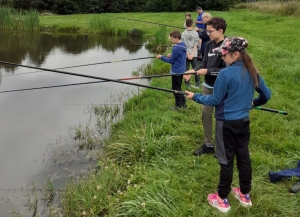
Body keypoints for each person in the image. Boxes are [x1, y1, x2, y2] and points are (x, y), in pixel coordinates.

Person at [185, 37, 272, 213]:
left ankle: (222, 199)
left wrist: (195, 97)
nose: (222, 58)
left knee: (225, 160)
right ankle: (244, 194)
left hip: (225, 124)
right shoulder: (253, 71)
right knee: (243, 156)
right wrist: (254, 103)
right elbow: (266, 95)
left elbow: (215, 99)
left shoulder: (225, 74)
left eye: (224, 55)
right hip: (243, 122)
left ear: (236, 54)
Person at [184, 17, 227, 156]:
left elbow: (227, 71)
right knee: (205, 114)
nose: (208, 34)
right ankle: (208, 144)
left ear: (220, 31)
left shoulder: (228, 46)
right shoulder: (209, 44)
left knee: (221, 118)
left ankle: (222, 146)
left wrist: (207, 71)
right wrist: (194, 70)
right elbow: (204, 63)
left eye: (210, 31)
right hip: (207, 86)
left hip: (222, 88)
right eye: (207, 31)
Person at [156, 30, 186, 110]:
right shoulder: (183, 44)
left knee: (175, 89)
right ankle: (183, 103)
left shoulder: (176, 48)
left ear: (176, 38)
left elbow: (171, 61)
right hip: (182, 70)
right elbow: (178, 56)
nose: (171, 40)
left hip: (176, 71)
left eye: (172, 39)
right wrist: (171, 55)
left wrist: (161, 57)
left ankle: (178, 105)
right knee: (179, 87)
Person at [181, 18, 200, 89]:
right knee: (196, 69)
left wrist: (188, 54)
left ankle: (187, 84)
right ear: (192, 24)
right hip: (194, 54)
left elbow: (184, 45)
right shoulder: (196, 33)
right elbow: (196, 45)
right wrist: (192, 54)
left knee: (186, 70)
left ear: (185, 25)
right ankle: (197, 84)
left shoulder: (183, 34)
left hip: (186, 54)